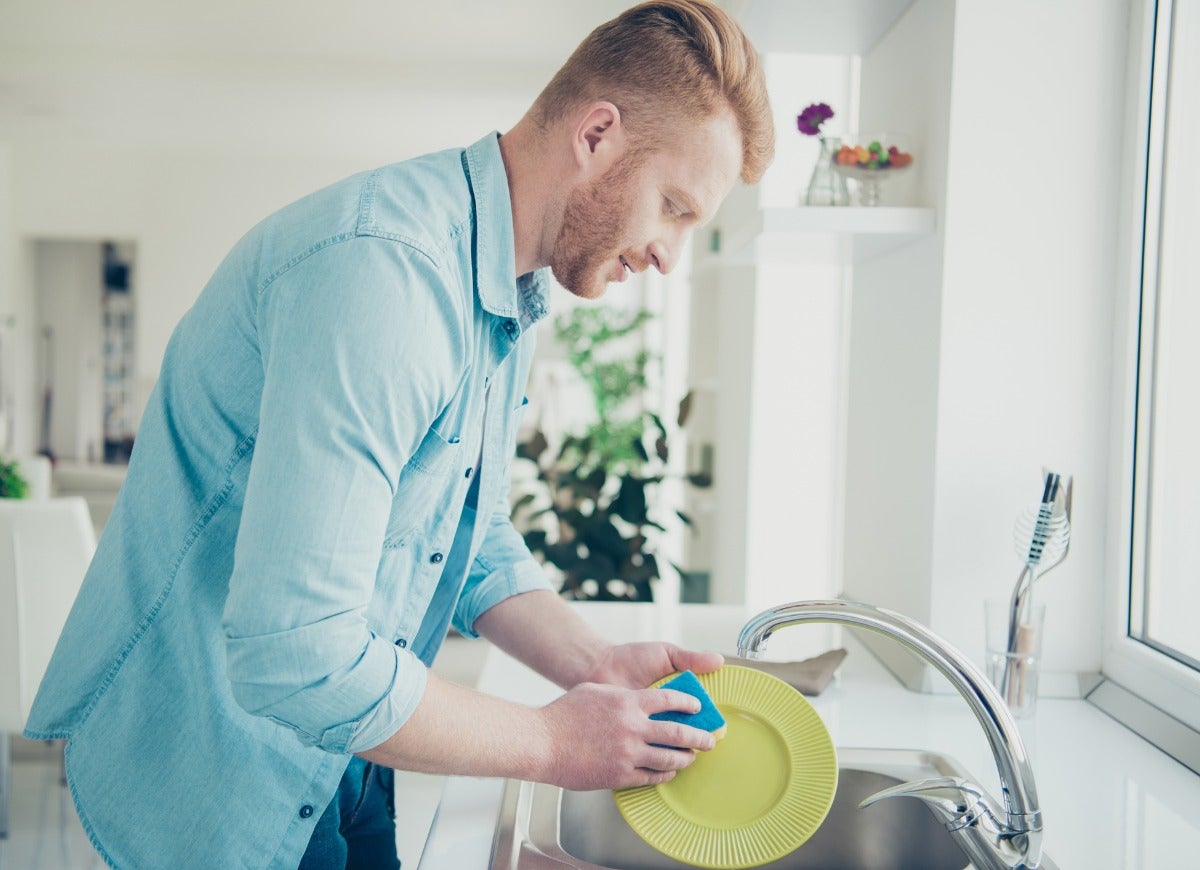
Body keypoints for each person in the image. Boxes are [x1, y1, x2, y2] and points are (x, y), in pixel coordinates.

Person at [24, 1, 775, 866]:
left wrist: (593, 665)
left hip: (341, 750)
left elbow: (467, 529)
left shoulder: (502, 285)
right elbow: (296, 653)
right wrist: (556, 744)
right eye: (674, 207)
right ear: (597, 135)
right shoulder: (386, 274)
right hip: (215, 767)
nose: (670, 256)